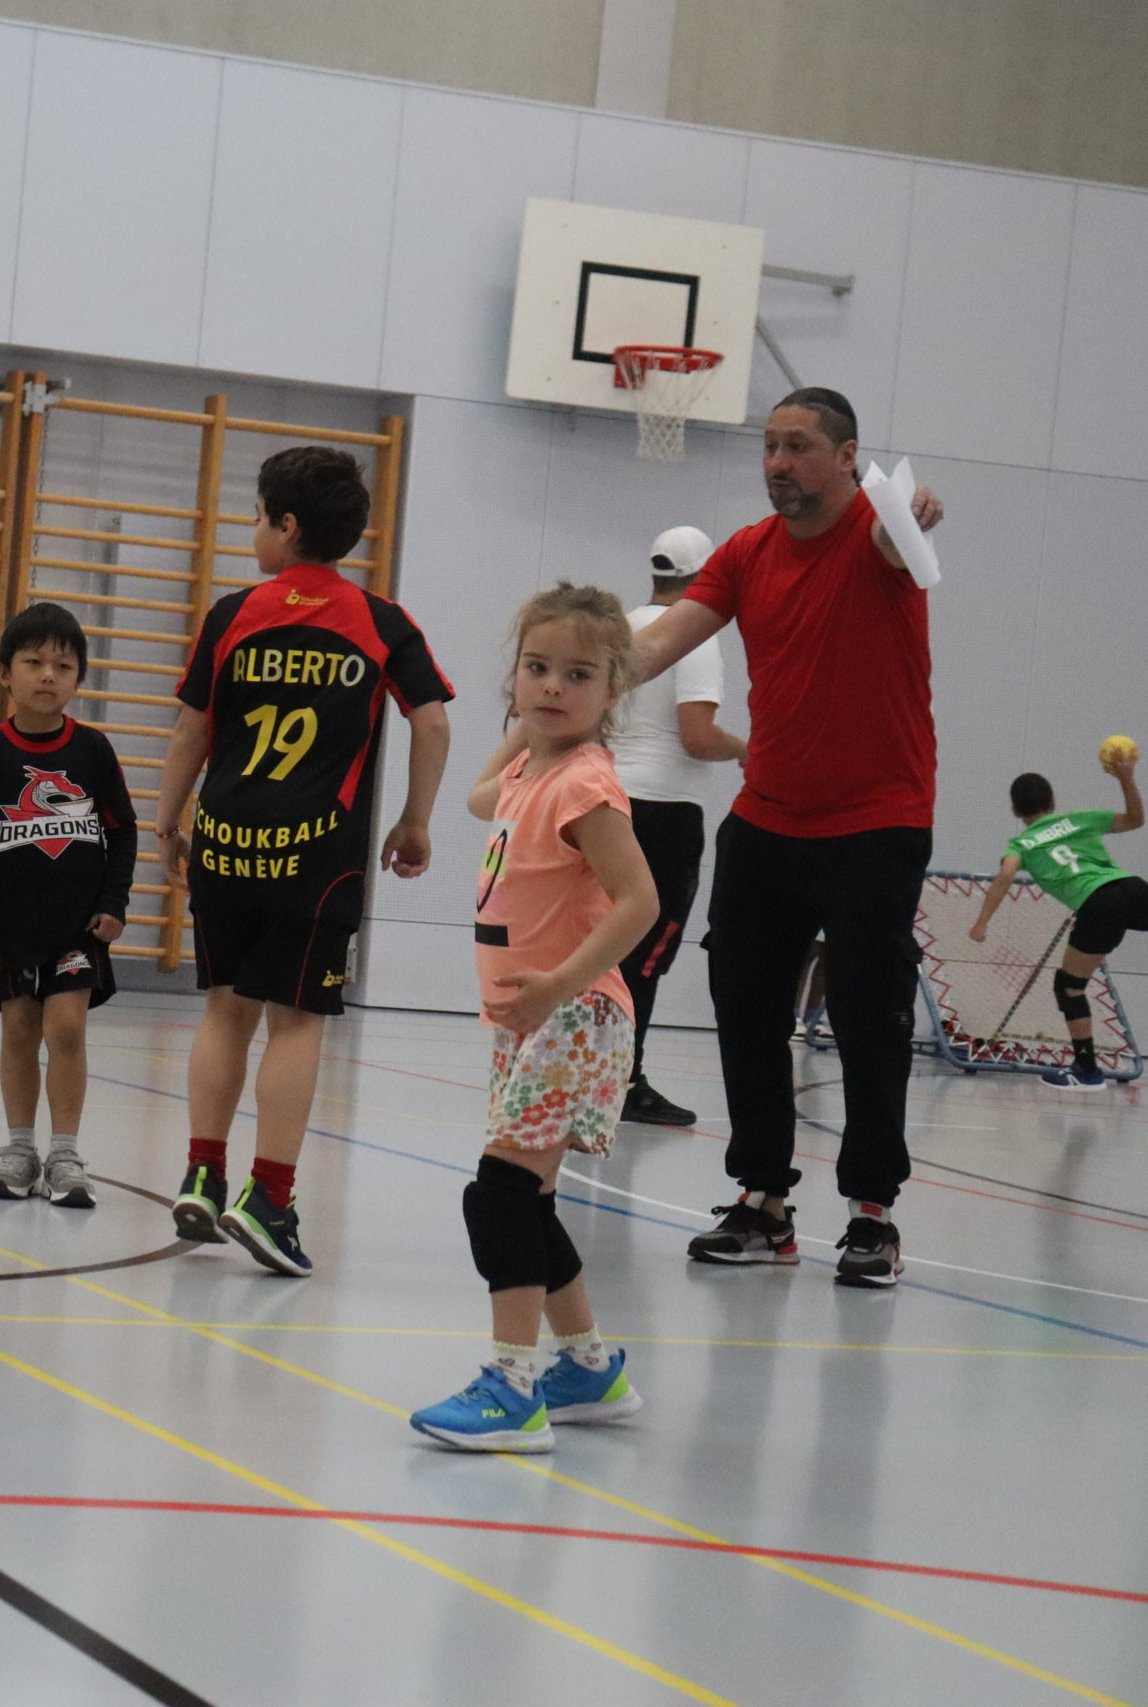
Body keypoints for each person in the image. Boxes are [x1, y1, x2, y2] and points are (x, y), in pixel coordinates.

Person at [632, 387, 943, 1288]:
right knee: (745, 1007)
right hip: (767, 817)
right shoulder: (746, 552)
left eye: (799, 446)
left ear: (847, 457)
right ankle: (763, 1202)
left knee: (869, 1016)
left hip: (877, 820)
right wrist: (570, 678)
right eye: (770, 445)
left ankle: (872, 1213)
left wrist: (914, 510)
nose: (778, 462)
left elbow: (902, 539)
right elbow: (656, 647)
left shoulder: (880, 533)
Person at [156, 444, 453, 1278]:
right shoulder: (381, 621)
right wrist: (414, 820)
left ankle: (202, 1175)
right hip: (316, 856)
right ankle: (271, 1198)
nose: (252, 529)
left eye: (256, 515)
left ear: (287, 526)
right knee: (296, 1020)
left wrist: (168, 819)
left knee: (225, 1010)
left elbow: (191, 729)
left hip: (226, 842)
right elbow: (432, 720)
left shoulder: (233, 614)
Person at [411, 583, 656, 1452]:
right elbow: (478, 794)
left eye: (578, 675)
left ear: (612, 690)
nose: (553, 685)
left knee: (502, 1196)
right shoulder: (527, 773)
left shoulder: (585, 784)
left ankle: (513, 1387)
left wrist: (557, 982)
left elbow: (640, 901)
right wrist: (529, 721)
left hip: (574, 1012)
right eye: (537, 667)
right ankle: (589, 1367)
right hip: (532, 1019)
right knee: (528, 1200)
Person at [0, 604, 135, 1209]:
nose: (48, 675)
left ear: (79, 678)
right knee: (19, 1029)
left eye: (63, 665)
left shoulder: (94, 751)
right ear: (5, 672)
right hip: (10, 928)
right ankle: (20, 1149)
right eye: (34, 662)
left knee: (68, 1027)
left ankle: (66, 1154)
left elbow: (123, 832)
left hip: (77, 927)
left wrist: (115, 901)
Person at [612, 525, 747, 1127]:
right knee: (645, 953)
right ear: (706, 574)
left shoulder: (621, 629)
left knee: (597, 944)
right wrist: (749, 750)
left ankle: (579, 1073)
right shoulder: (693, 636)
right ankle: (623, 1081)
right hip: (663, 813)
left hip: (604, 803)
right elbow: (697, 736)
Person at [974, 761, 1148, 1089]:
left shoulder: (1021, 845)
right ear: (1053, 801)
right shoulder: (1079, 819)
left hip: (1098, 904)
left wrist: (981, 922)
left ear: (1014, 809)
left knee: (1069, 986)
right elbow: (1136, 819)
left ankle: (1087, 1071)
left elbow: (1006, 875)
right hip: (1129, 887)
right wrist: (1126, 778)